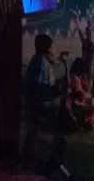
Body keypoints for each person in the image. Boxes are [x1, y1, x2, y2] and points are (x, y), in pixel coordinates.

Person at [22, 33, 64, 169]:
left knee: (34, 133)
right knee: (37, 133)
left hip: (39, 104)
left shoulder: (40, 61)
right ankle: (31, 161)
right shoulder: (40, 63)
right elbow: (38, 87)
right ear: (47, 48)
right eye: (52, 46)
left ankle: (30, 159)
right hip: (39, 105)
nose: (54, 48)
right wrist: (55, 91)